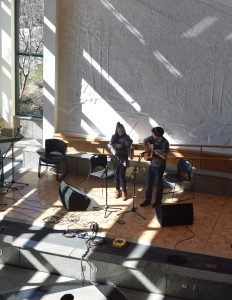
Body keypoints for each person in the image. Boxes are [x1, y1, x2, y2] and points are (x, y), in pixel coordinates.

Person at [140, 126, 169, 208]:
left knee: (159, 184)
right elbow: (145, 140)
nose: (152, 135)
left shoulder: (165, 143)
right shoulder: (152, 138)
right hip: (152, 164)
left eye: (153, 134)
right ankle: (147, 200)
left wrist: (158, 152)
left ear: (158, 135)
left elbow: (165, 157)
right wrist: (146, 150)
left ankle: (158, 201)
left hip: (160, 166)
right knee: (149, 183)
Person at [108, 122, 133, 201]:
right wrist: (116, 146)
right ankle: (117, 190)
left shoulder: (127, 137)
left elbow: (130, 143)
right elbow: (110, 145)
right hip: (115, 158)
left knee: (121, 175)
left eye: (122, 131)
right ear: (116, 131)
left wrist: (126, 142)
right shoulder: (114, 137)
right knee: (116, 175)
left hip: (123, 158)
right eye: (120, 131)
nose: (121, 132)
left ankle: (124, 192)